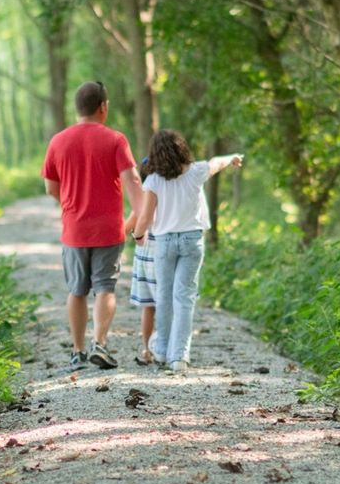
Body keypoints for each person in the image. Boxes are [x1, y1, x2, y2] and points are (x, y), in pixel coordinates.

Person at [42, 81, 144, 370]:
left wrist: (71, 204)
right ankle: (100, 344)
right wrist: (140, 217)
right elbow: (133, 180)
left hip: (74, 230)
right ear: (103, 107)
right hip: (109, 230)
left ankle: (78, 351)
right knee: (105, 288)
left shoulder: (58, 141)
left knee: (76, 290)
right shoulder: (115, 140)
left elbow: (51, 187)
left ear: (77, 109)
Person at [131, 130, 243, 373]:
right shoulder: (195, 171)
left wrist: (137, 235)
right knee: (184, 298)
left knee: (164, 295)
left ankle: (160, 349)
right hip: (192, 241)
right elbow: (216, 163)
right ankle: (179, 357)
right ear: (182, 149)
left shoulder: (154, 181)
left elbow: (146, 216)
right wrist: (232, 157)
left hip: (165, 243)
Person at [125, 157, 158, 366]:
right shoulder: (167, 194)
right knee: (167, 304)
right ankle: (167, 347)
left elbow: (133, 222)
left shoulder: (144, 196)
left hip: (146, 252)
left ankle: (146, 349)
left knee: (149, 306)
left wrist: (125, 234)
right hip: (163, 251)